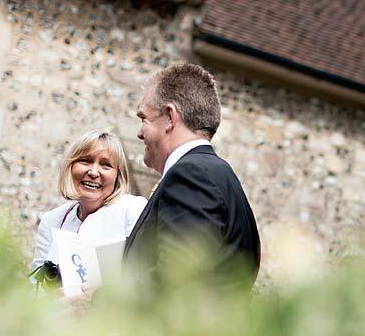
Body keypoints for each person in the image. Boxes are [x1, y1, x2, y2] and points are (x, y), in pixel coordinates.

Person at [124, 63, 261, 288]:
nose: (139, 133)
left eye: (144, 118)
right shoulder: (216, 173)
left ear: (170, 117)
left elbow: (176, 277)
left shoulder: (191, 175)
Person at [30, 130, 147, 290]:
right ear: (70, 167)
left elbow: (143, 277)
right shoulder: (53, 220)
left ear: (117, 175)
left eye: (106, 165)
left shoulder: (132, 210)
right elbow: (35, 287)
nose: (93, 172)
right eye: (85, 161)